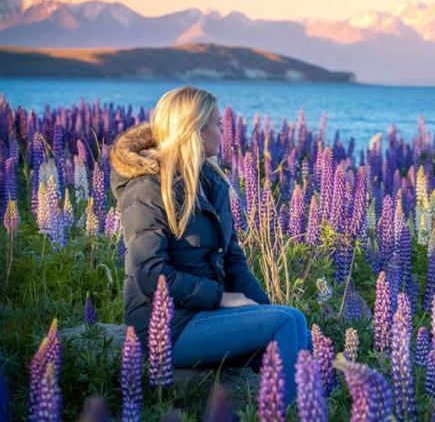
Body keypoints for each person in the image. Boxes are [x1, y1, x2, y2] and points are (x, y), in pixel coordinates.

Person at [109, 86, 310, 405]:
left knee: (291, 317)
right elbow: (149, 273)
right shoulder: (147, 188)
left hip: (204, 316)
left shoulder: (209, 182)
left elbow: (233, 260)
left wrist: (261, 309)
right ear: (197, 132)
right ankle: (288, 412)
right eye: (217, 124)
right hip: (167, 327)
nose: (223, 131)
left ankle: (300, 408)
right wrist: (221, 298)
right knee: (285, 322)